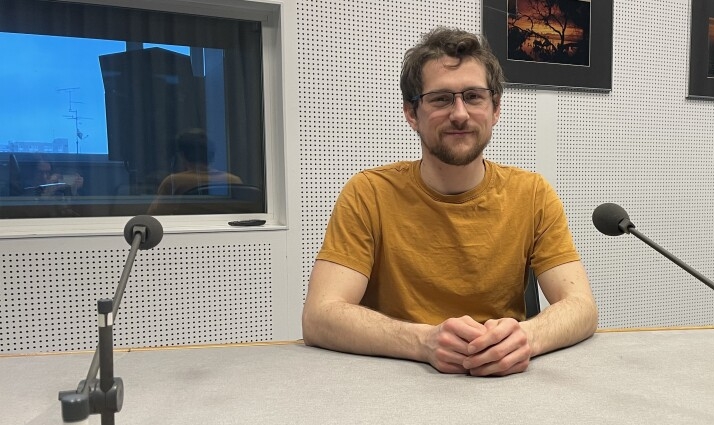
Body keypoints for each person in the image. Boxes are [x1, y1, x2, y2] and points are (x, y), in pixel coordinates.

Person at [302, 27, 598, 377]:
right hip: (395, 381)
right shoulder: (369, 193)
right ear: (412, 113)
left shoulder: (532, 194)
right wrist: (423, 342)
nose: (459, 114)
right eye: (441, 99)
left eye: (473, 96)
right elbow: (319, 316)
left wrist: (528, 337)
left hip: (504, 382)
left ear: (495, 109)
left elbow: (582, 307)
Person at [147, 128, 243, 214]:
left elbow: (155, 215)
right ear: (211, 154)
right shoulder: (233, 180)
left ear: (181, 155)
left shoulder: (173, 182)